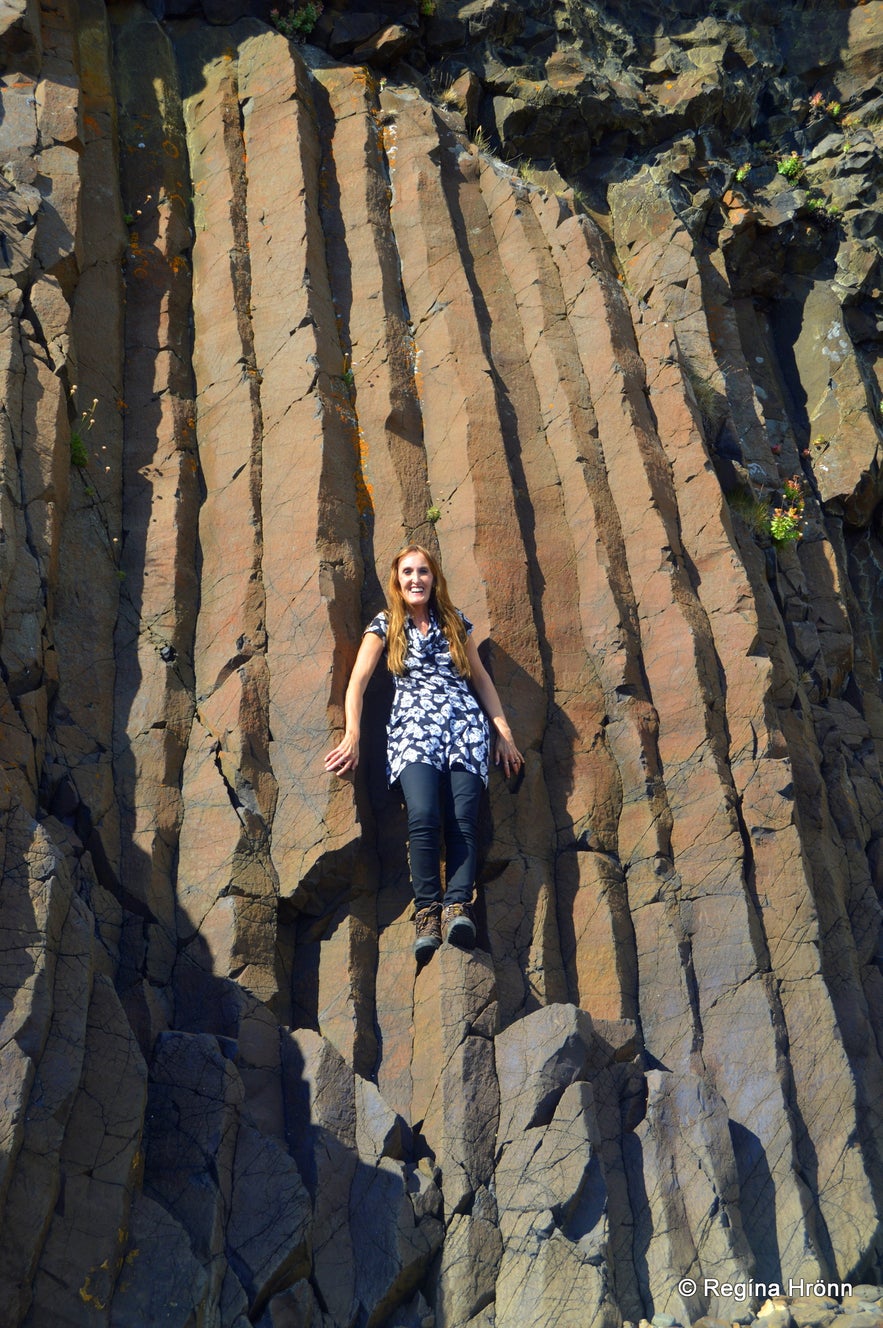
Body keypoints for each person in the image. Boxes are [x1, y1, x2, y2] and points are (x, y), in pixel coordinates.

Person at [324, 544, 523, 959]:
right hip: (413, 730)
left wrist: (502, 732)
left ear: (434, 579)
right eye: (408, 573)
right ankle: (427, 911)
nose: (416, 579)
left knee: (464, 818)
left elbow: (482, 680)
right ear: (397, 580)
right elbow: (358, 680)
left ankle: (456, 906)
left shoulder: (453, 622)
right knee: (424, 815)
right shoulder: (385, 624)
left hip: (464, 727)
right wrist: (353, 734)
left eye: (423, 572)